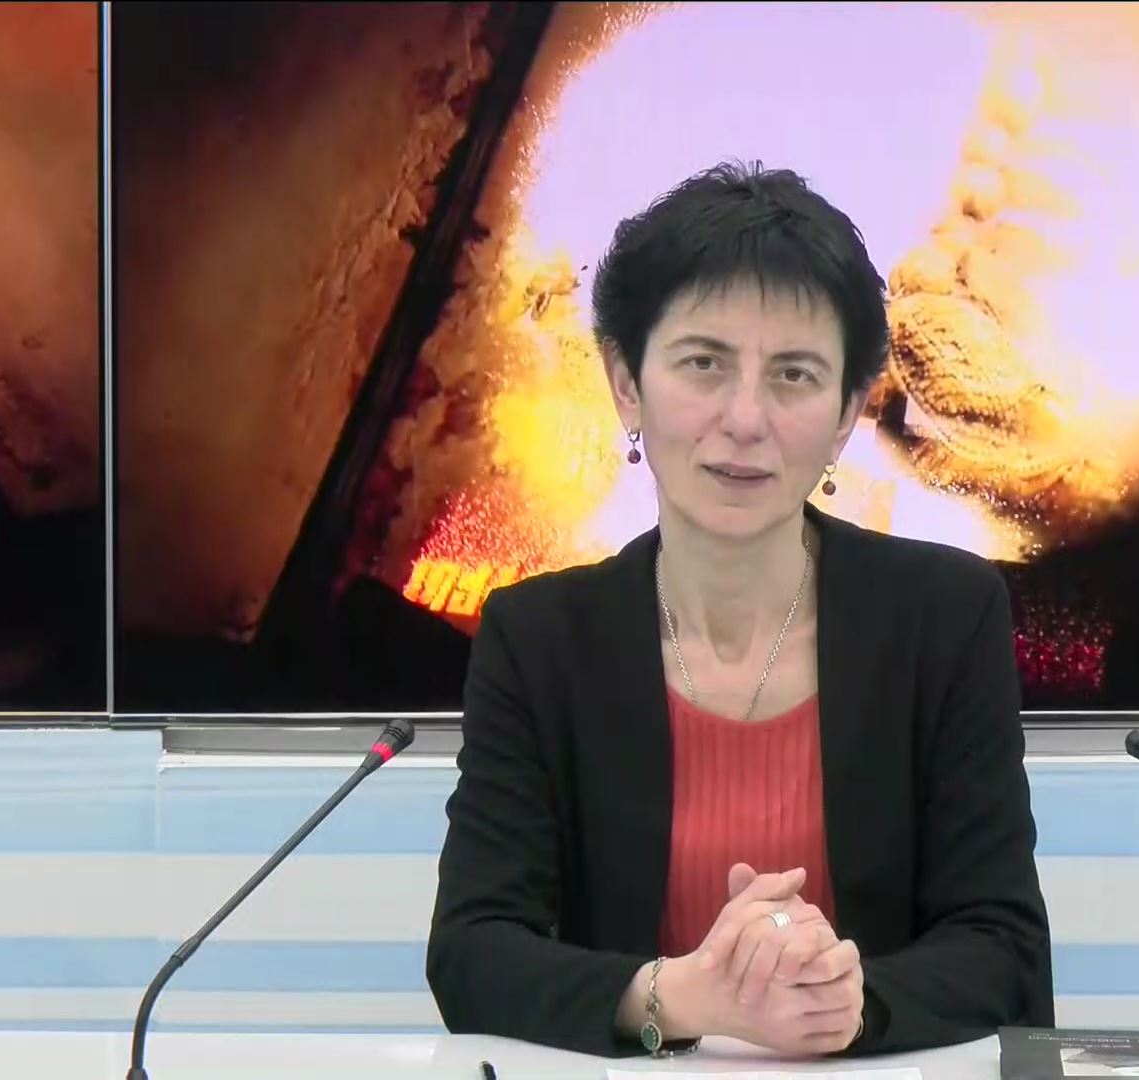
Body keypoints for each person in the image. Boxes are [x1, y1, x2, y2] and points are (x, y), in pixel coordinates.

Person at [426, 161, 1053, 1059]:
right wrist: (677, 997)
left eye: (795, 375)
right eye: (703, 363)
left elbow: (1004, 947)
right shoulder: (538, 640)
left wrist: (851, 1005)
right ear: (626, 382)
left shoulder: (946, 618)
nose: (745, 418)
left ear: (847, 414)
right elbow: (473, 951)